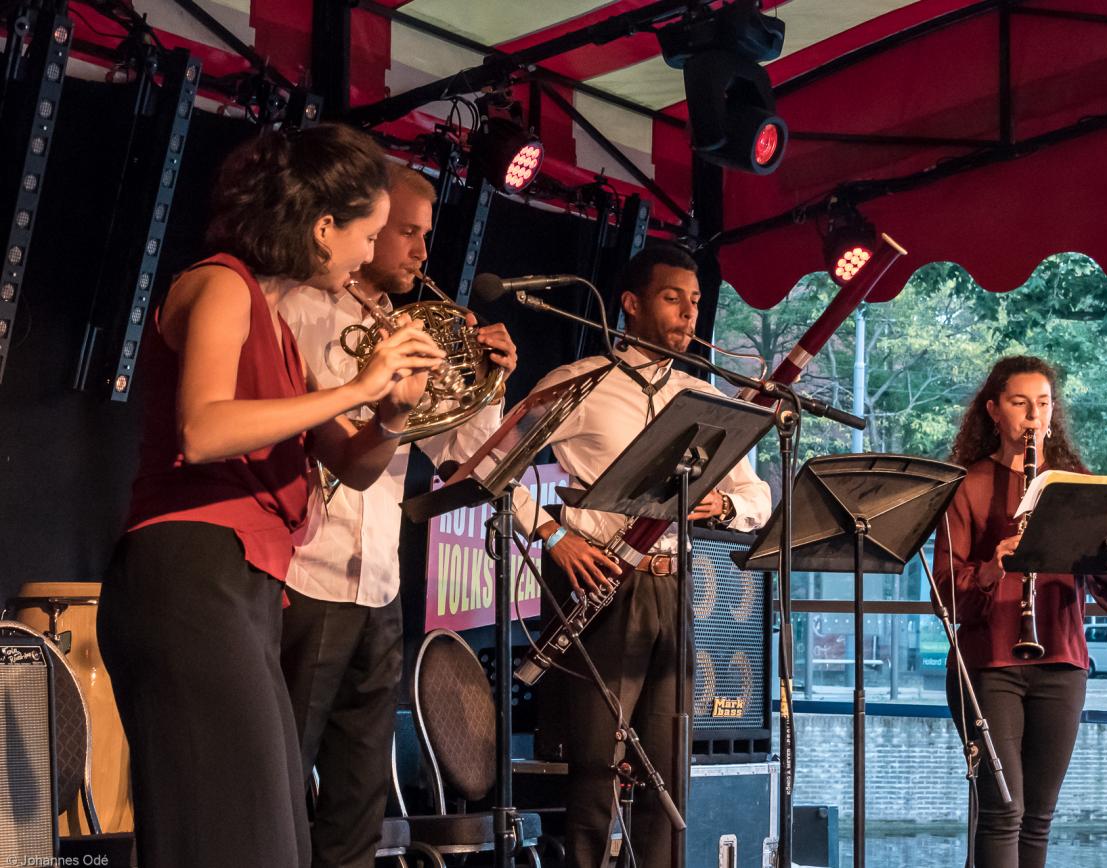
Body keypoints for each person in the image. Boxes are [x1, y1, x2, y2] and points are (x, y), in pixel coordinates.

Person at [97, 124, 443, 868]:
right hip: (191, 568)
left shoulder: (277, 326)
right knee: (235, 832)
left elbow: (352, 465)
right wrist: (356, 386)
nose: (368, 256)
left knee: (271, 831)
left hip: (245, 581)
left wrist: (392, 412)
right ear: (323, 227)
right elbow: (204, 428)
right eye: (368, 235)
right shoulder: (221, 284)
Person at [278, 163, 517, 868]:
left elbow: (466, 460)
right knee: (280, 786)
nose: (420, 250)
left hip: (380, 586)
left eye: (424, 234)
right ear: (367, 226)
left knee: (359, 801)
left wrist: (490, 383)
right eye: (406, 232)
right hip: (307, 576)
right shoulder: (300, 308)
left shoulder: (412, 328)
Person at [516, 243, 772, 868]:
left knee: (668, 770)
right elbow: (493, 465)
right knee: (594, 768)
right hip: (605, 582)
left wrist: (724, 507)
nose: (688, 314)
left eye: (695, 302)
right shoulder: (578, 383)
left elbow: (757, 497)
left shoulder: (703, 397)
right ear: (630, 304)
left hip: (675, 586)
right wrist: (554, 535)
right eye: (672, 298)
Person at [933, 355, 1107, 868]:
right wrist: (995, 565)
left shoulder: (1076, 485)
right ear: (993, 410)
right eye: (1020, 403)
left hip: (1062, 660)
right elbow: (946, 594)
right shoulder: (966, 484)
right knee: (1002, 810)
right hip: (988, 663)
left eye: (1043, 404)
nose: (1033, 416)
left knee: (1038, 816)